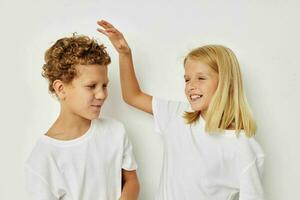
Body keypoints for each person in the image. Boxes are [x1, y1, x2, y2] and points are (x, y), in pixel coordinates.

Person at [97, 20, 265, 200]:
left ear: (226, 83)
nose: (191, 86)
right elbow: (132, 96)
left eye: (201, 78)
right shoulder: (178, 115)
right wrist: (124, 53)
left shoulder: (244, 148)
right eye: (187, 79)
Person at [25, 34, 140, 200]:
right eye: (91, 86)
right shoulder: (42, 160)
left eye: (104, 85)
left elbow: (131, 181)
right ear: (61, 89)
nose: (101, 95)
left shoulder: (115, 131)